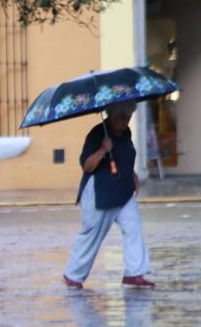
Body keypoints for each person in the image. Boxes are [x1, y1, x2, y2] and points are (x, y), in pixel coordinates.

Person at [63, 101, 154, 289]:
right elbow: (87, 165)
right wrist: (103, 150)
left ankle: (134, 273)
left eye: (128, 117)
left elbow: (125, 157)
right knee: (93, 234)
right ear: (111, 115)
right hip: (99, 192)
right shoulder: (97, 134)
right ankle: (73, 275)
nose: (125, 121)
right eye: (122, 117)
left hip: (122, 190)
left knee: (133, 228)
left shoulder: (126, 133)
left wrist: (132, 174)